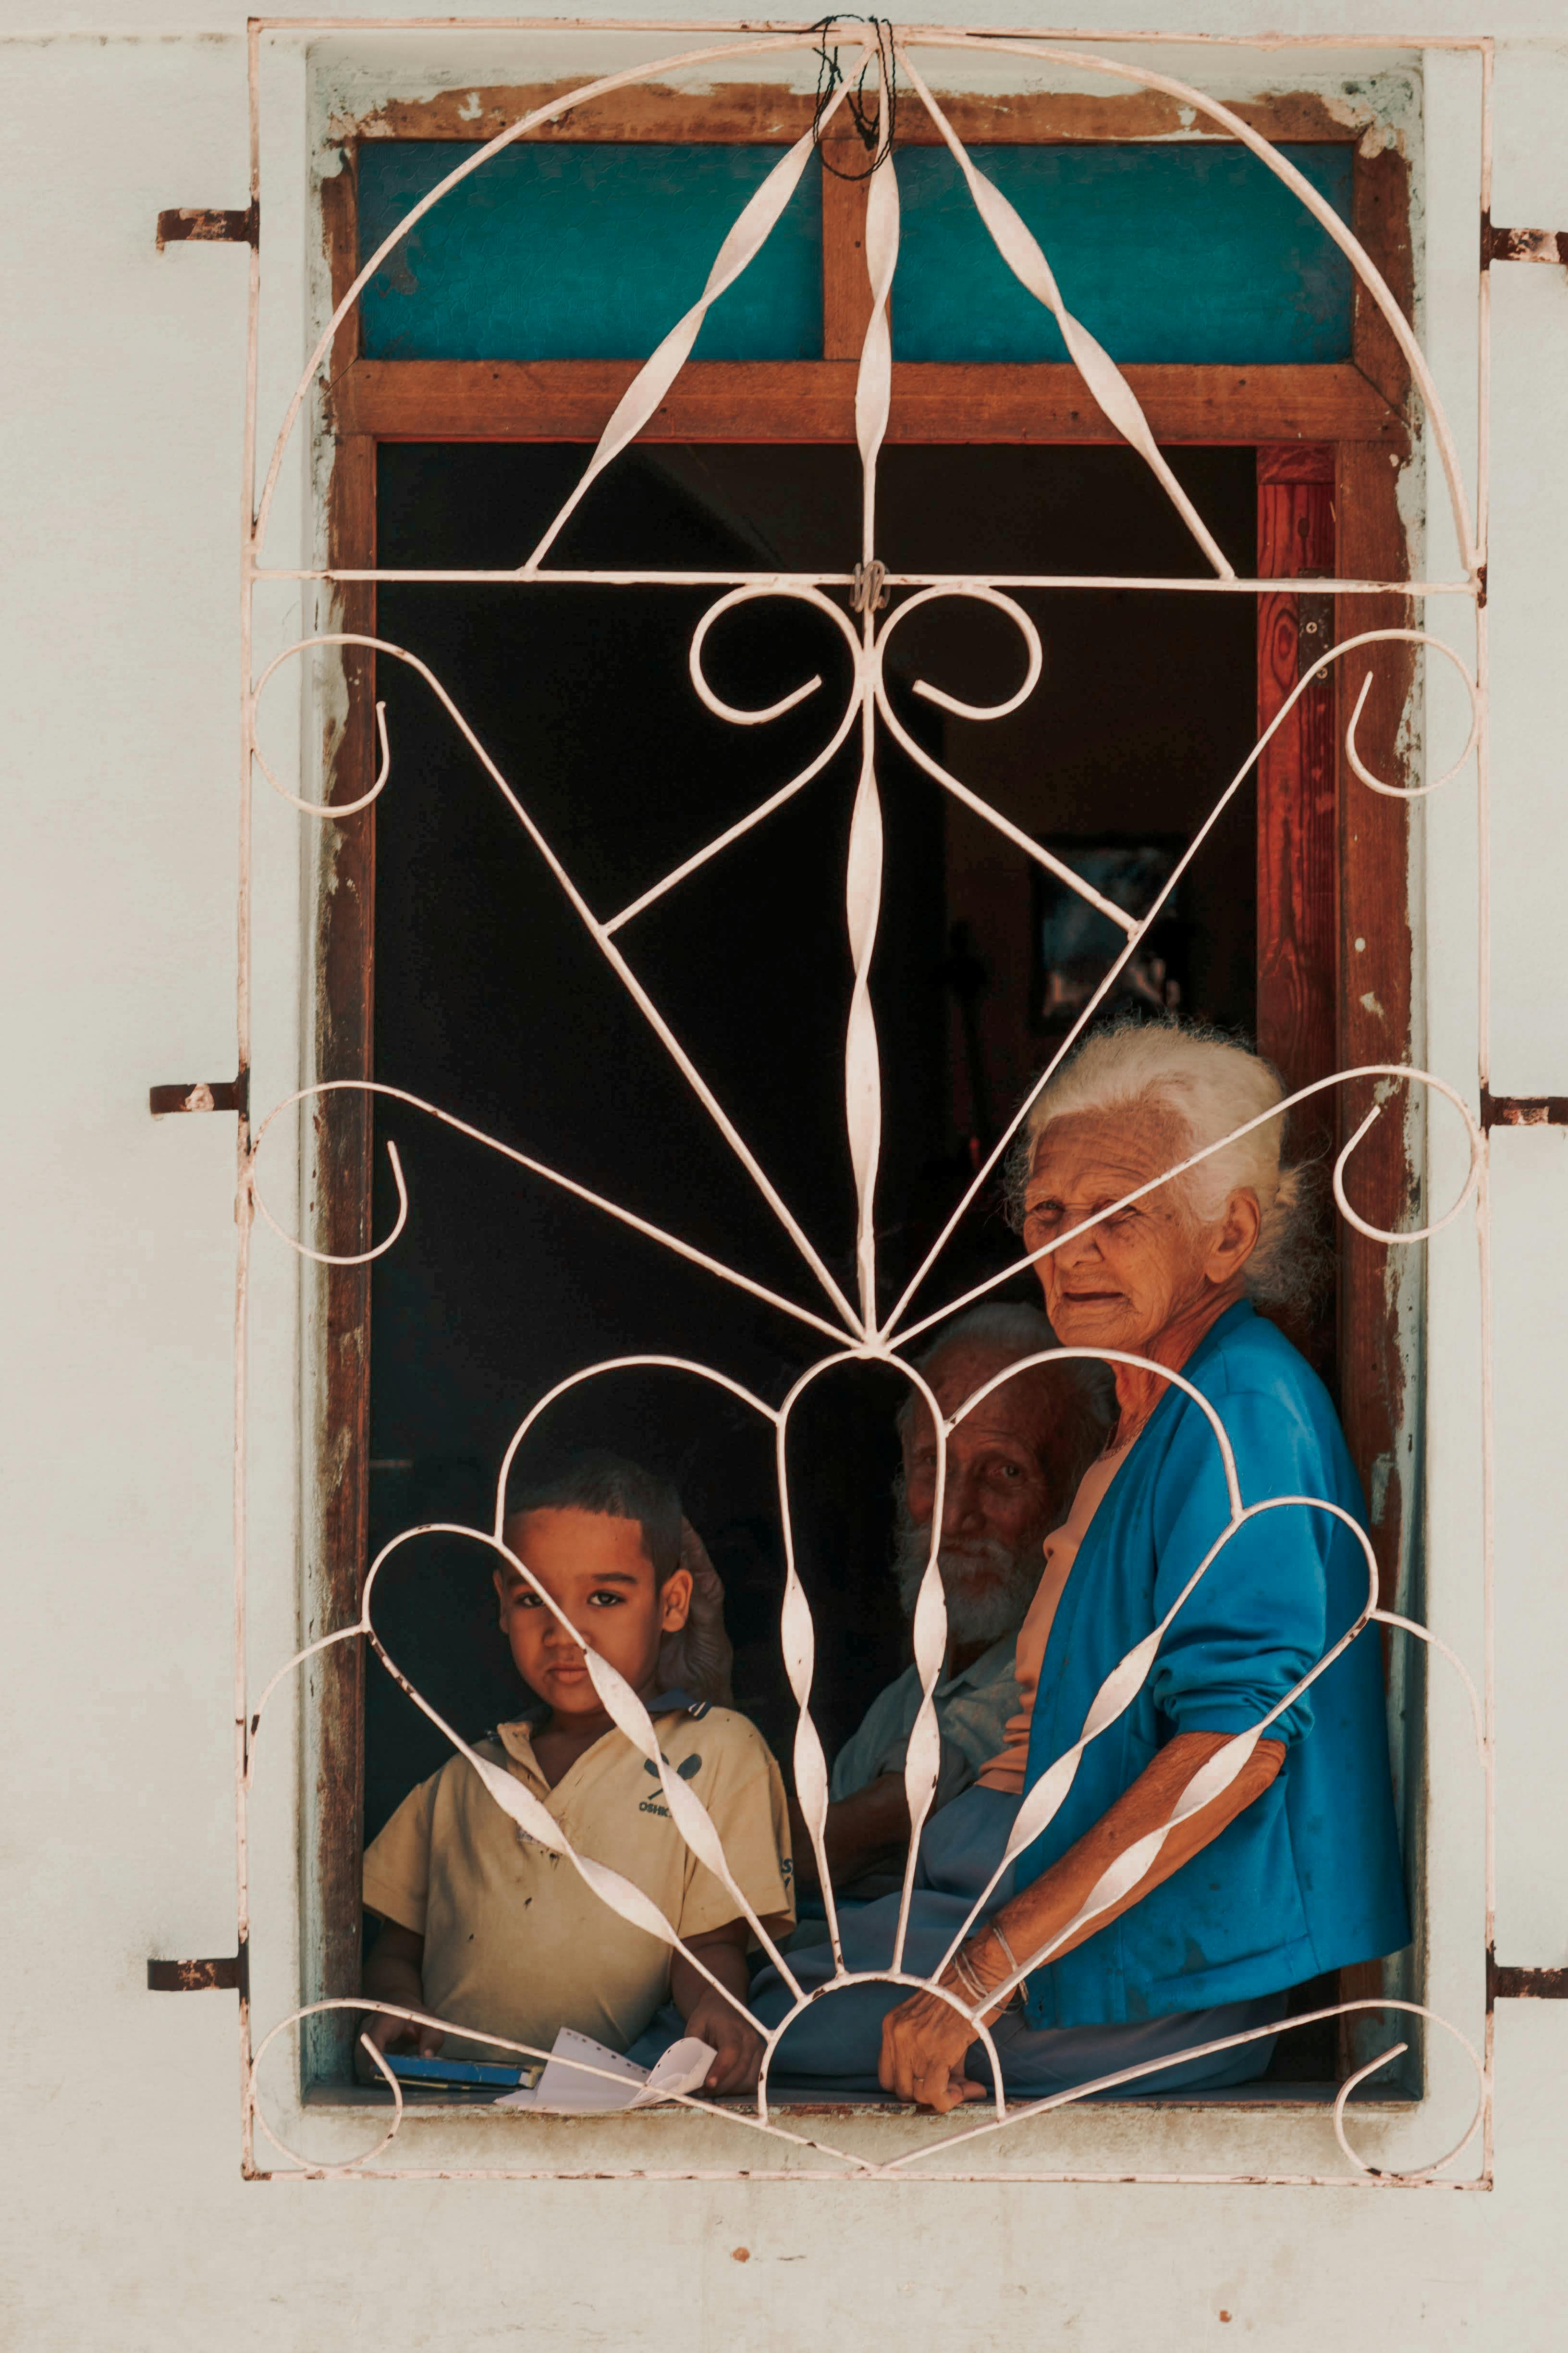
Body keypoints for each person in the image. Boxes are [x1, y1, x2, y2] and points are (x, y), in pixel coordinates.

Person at [751, 1018, 1410, 2107]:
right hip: (1019, 1909)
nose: (1073, 1248)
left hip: (1143, 1973)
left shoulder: (1236, 1405)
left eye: (1118, 1213)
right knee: (697, 1989)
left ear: (1227, 1234)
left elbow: (1234, 1742)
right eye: (1050, 1213)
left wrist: (979, 1976)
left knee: (703, 2027)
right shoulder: (1143, 1407)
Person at [359, 1452, 794, 2097]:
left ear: (672, 1604)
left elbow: (707, 1946)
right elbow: (397, 1947)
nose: (565, 1630)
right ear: (503, 1604)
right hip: (438, 2102)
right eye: (534, 1597)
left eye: (605, 1597)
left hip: (604, 2108)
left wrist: (720, 2015)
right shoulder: (466, 1775)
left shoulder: (716, 1753)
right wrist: (397, 2002)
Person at [801, 1305, 1112, 1900]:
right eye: (933, 1464)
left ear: (1074, 1497)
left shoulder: (1061, 1680)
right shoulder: (910, 1696)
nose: (954, 1512)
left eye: (1006, 1472)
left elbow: (830, 1846)